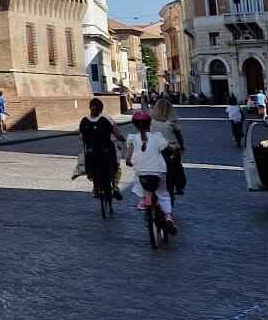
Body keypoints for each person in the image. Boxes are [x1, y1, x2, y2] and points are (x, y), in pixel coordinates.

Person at [123, 108, 177, 236]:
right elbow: (168, 149)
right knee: (163, 194)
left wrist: (130, 161)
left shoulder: (132, 138)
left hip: (142, 173)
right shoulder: (157, 137)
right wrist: (174, 150)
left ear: (134, 125)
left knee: (138, 178)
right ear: (149, 124)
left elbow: (128, 157)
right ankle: (168, 217)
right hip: (159, 172)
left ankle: (143, 199)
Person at [78, 98, 125, 200]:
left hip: (91, 152)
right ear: (101, 109)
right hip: (107, 150)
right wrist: (122, 139)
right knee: (116, 166)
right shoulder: (106, 118)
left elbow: (81, 137)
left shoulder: (84, 120)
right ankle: (115, 187)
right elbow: (116, 132)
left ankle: (96, 188)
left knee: (91, 167)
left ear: (90, 107)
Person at [151, 96, 187, 198]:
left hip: (156, 149)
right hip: (172, 149)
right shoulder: (172, 121)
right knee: (177, 167)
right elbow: (179, 135)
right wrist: (182, 147)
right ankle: (178, 186)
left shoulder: (151, 121)